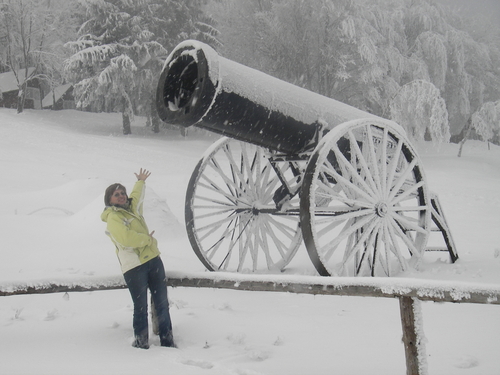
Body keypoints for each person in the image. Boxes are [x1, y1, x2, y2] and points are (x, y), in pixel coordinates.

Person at [101, 168, 174, 349]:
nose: (121, 196)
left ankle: (168, 341)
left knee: (162, 304)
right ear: (109, 200)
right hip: (134, 267)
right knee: (140, 307)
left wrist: (140, 181)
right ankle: (141, 344)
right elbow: (125, 239)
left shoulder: (133, 210)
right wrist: (146, 239)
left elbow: (137, 195)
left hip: (153, 260)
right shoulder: (113, 217)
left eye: (122, 193)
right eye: (116, 194)